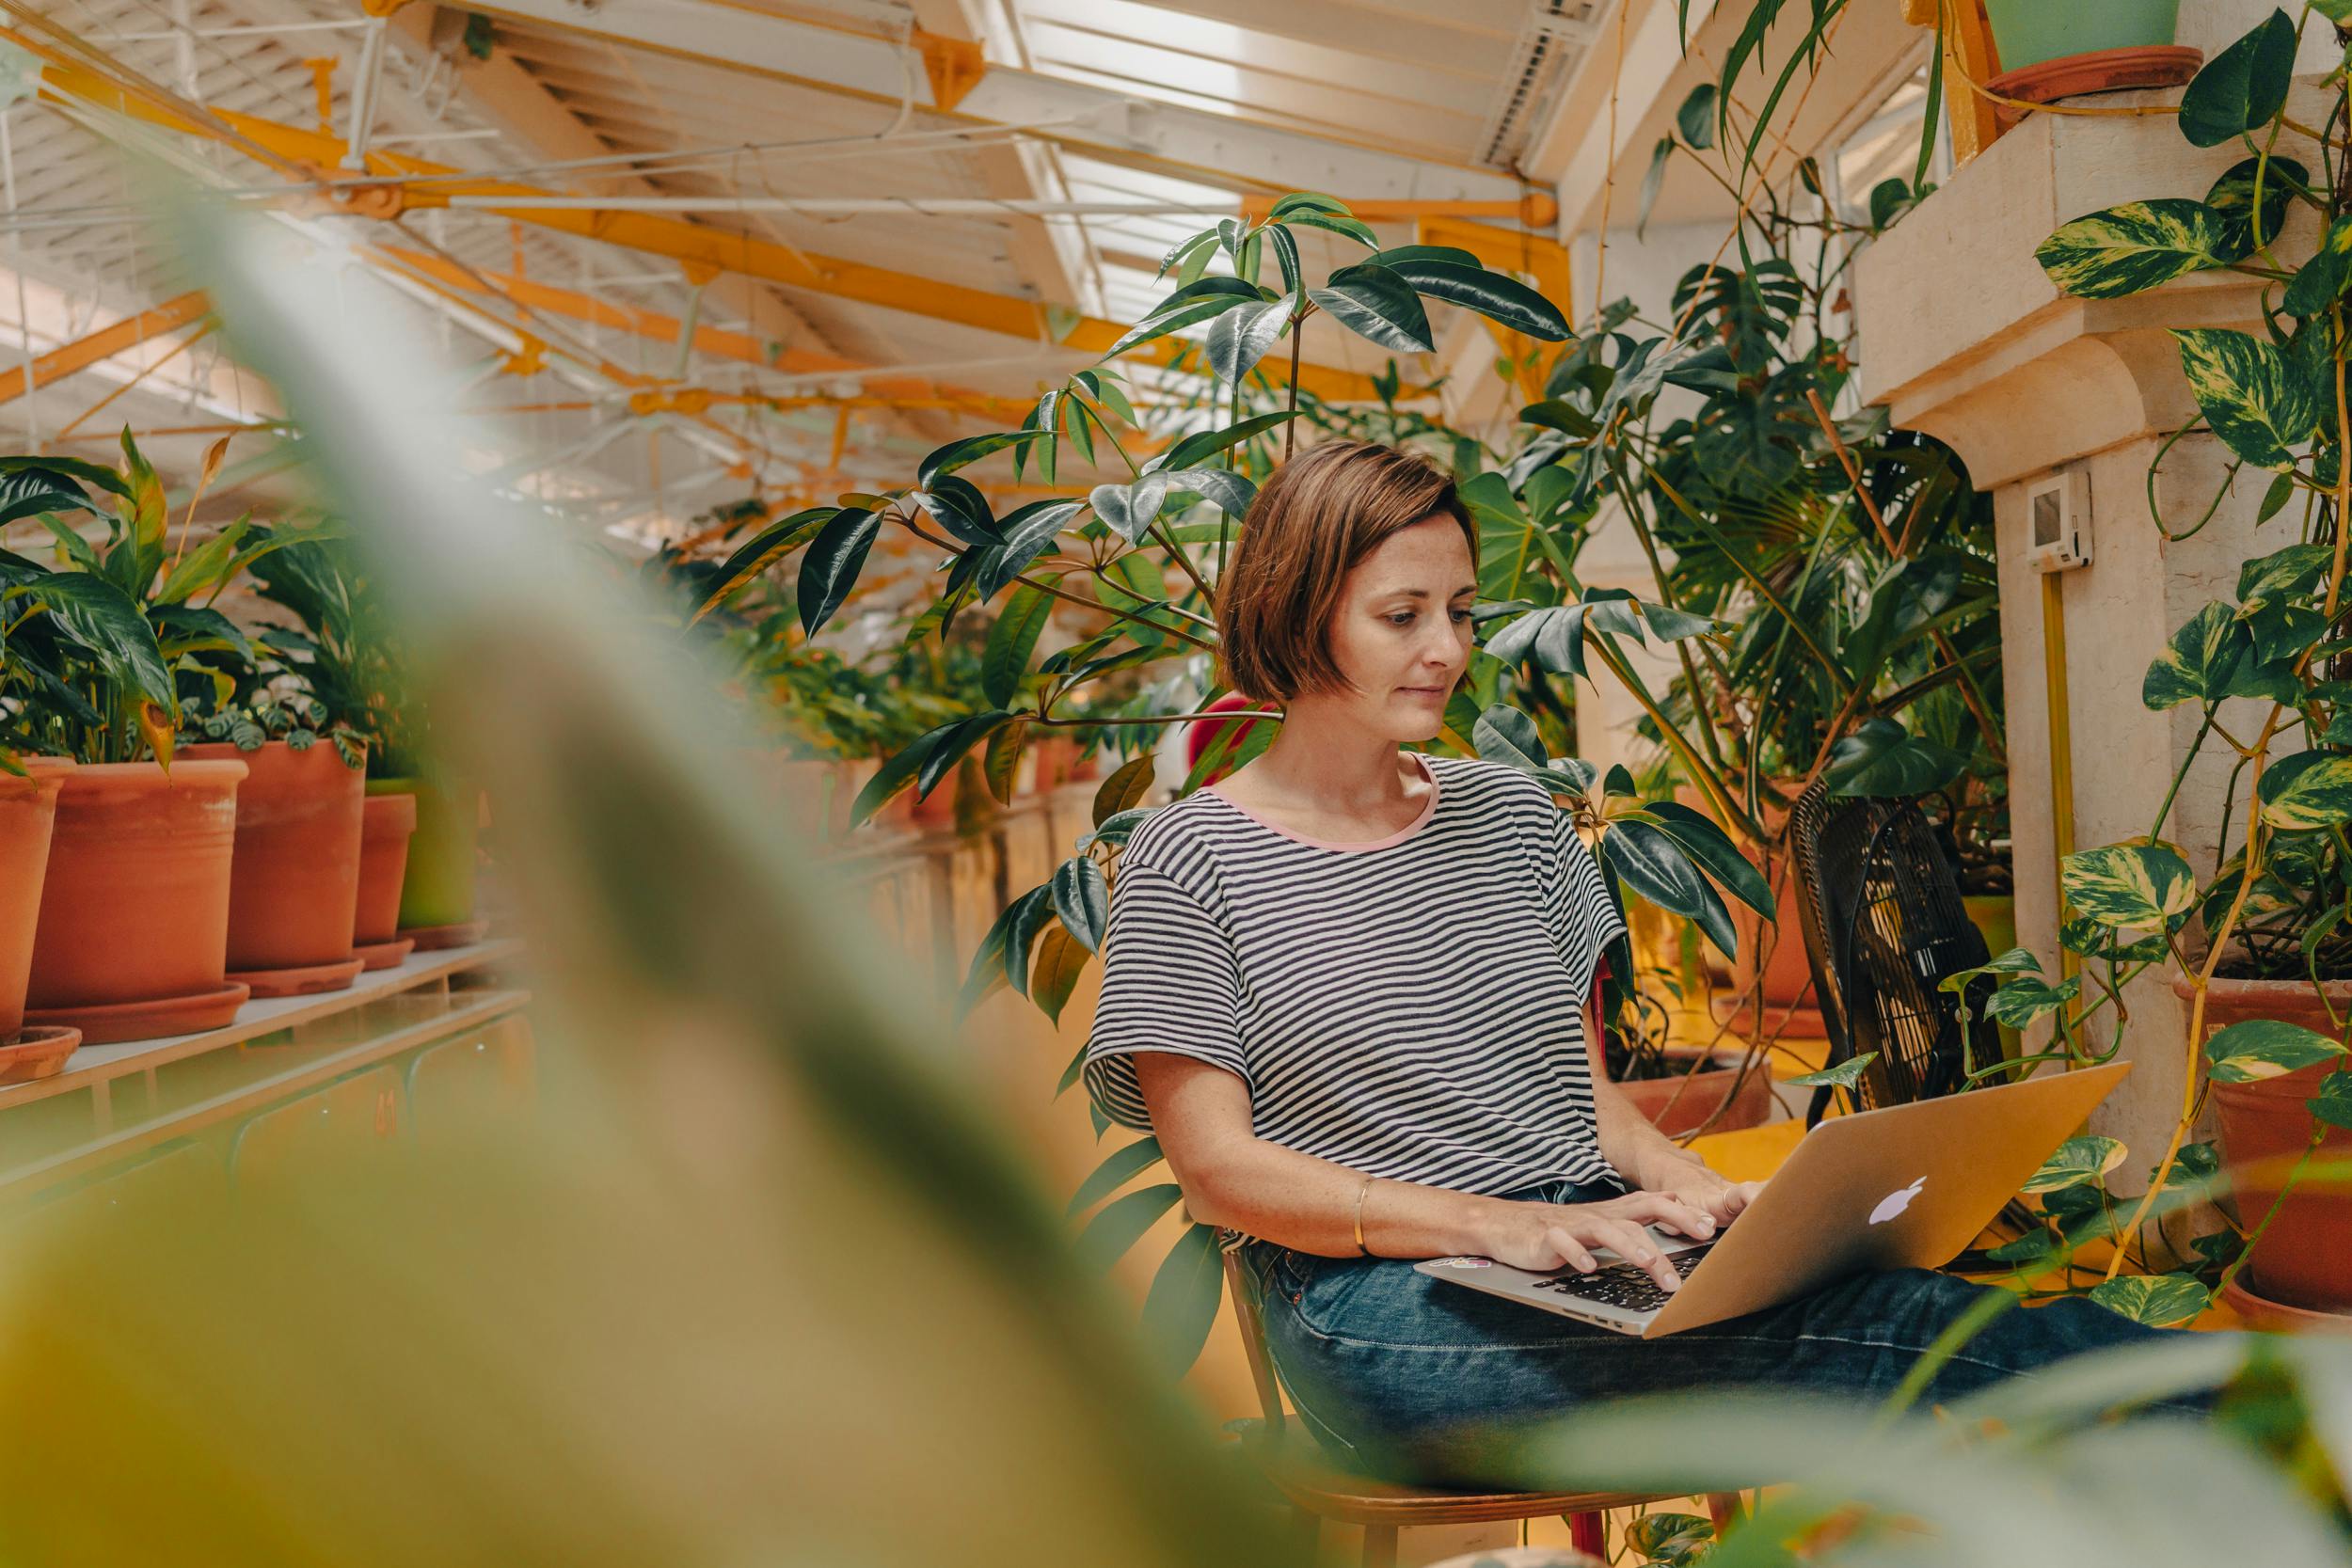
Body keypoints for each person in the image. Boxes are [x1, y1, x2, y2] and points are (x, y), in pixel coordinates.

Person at [1080, 439, 2209, 1489]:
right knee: (1896, 1333)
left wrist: (1694, 1190)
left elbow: (1590, 1106)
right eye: (1401, 614)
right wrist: (1493, 1224)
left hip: (1586, 1242)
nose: (1448, 647)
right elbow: (1217, 1170)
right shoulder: (1192, 854)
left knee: (1872, 1316)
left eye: (1462, 610)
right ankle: (2264, 1434)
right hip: (1377, 1307)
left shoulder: (1512, 814)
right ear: (1294, 609)